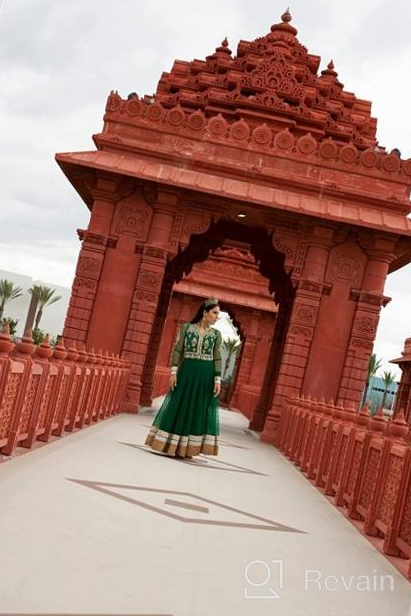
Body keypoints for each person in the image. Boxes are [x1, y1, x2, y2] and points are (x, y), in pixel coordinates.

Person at [144, 297, 222, 459]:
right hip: (186, 372)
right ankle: (169, 445)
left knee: (198, 408)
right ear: (205, 312)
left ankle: (188, 449)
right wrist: (173, 372)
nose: (217, 317)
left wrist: (217, 380)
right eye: (214, 313)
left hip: (205, 375)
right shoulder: (187, 328)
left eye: (218, 314)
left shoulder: (216, 334)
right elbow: (178, 351)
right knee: (180, 403)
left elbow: (217, 358)